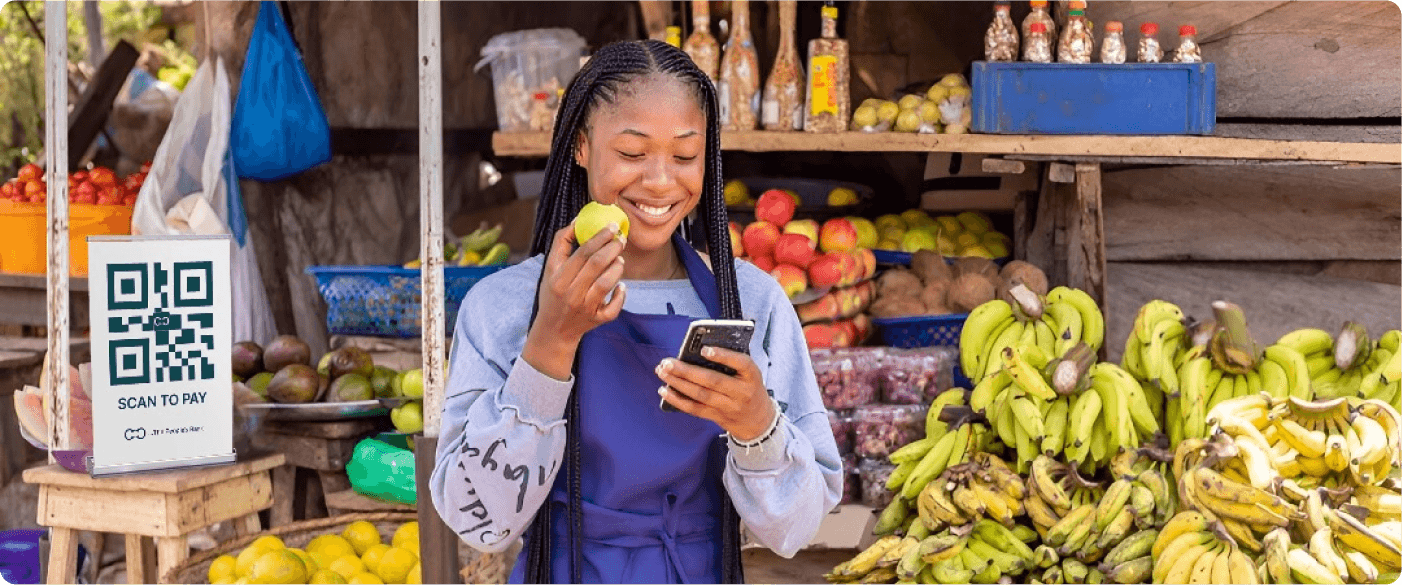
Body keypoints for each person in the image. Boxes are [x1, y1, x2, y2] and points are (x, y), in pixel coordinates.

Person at [429, 39, 842, 584]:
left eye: (686, 155)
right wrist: (550, 343)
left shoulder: (753, 303)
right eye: (631, 153)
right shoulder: (504, 306)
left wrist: (755, 424)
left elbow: (796, 529)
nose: (660, 181)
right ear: (581, 146)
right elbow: (476, 521)